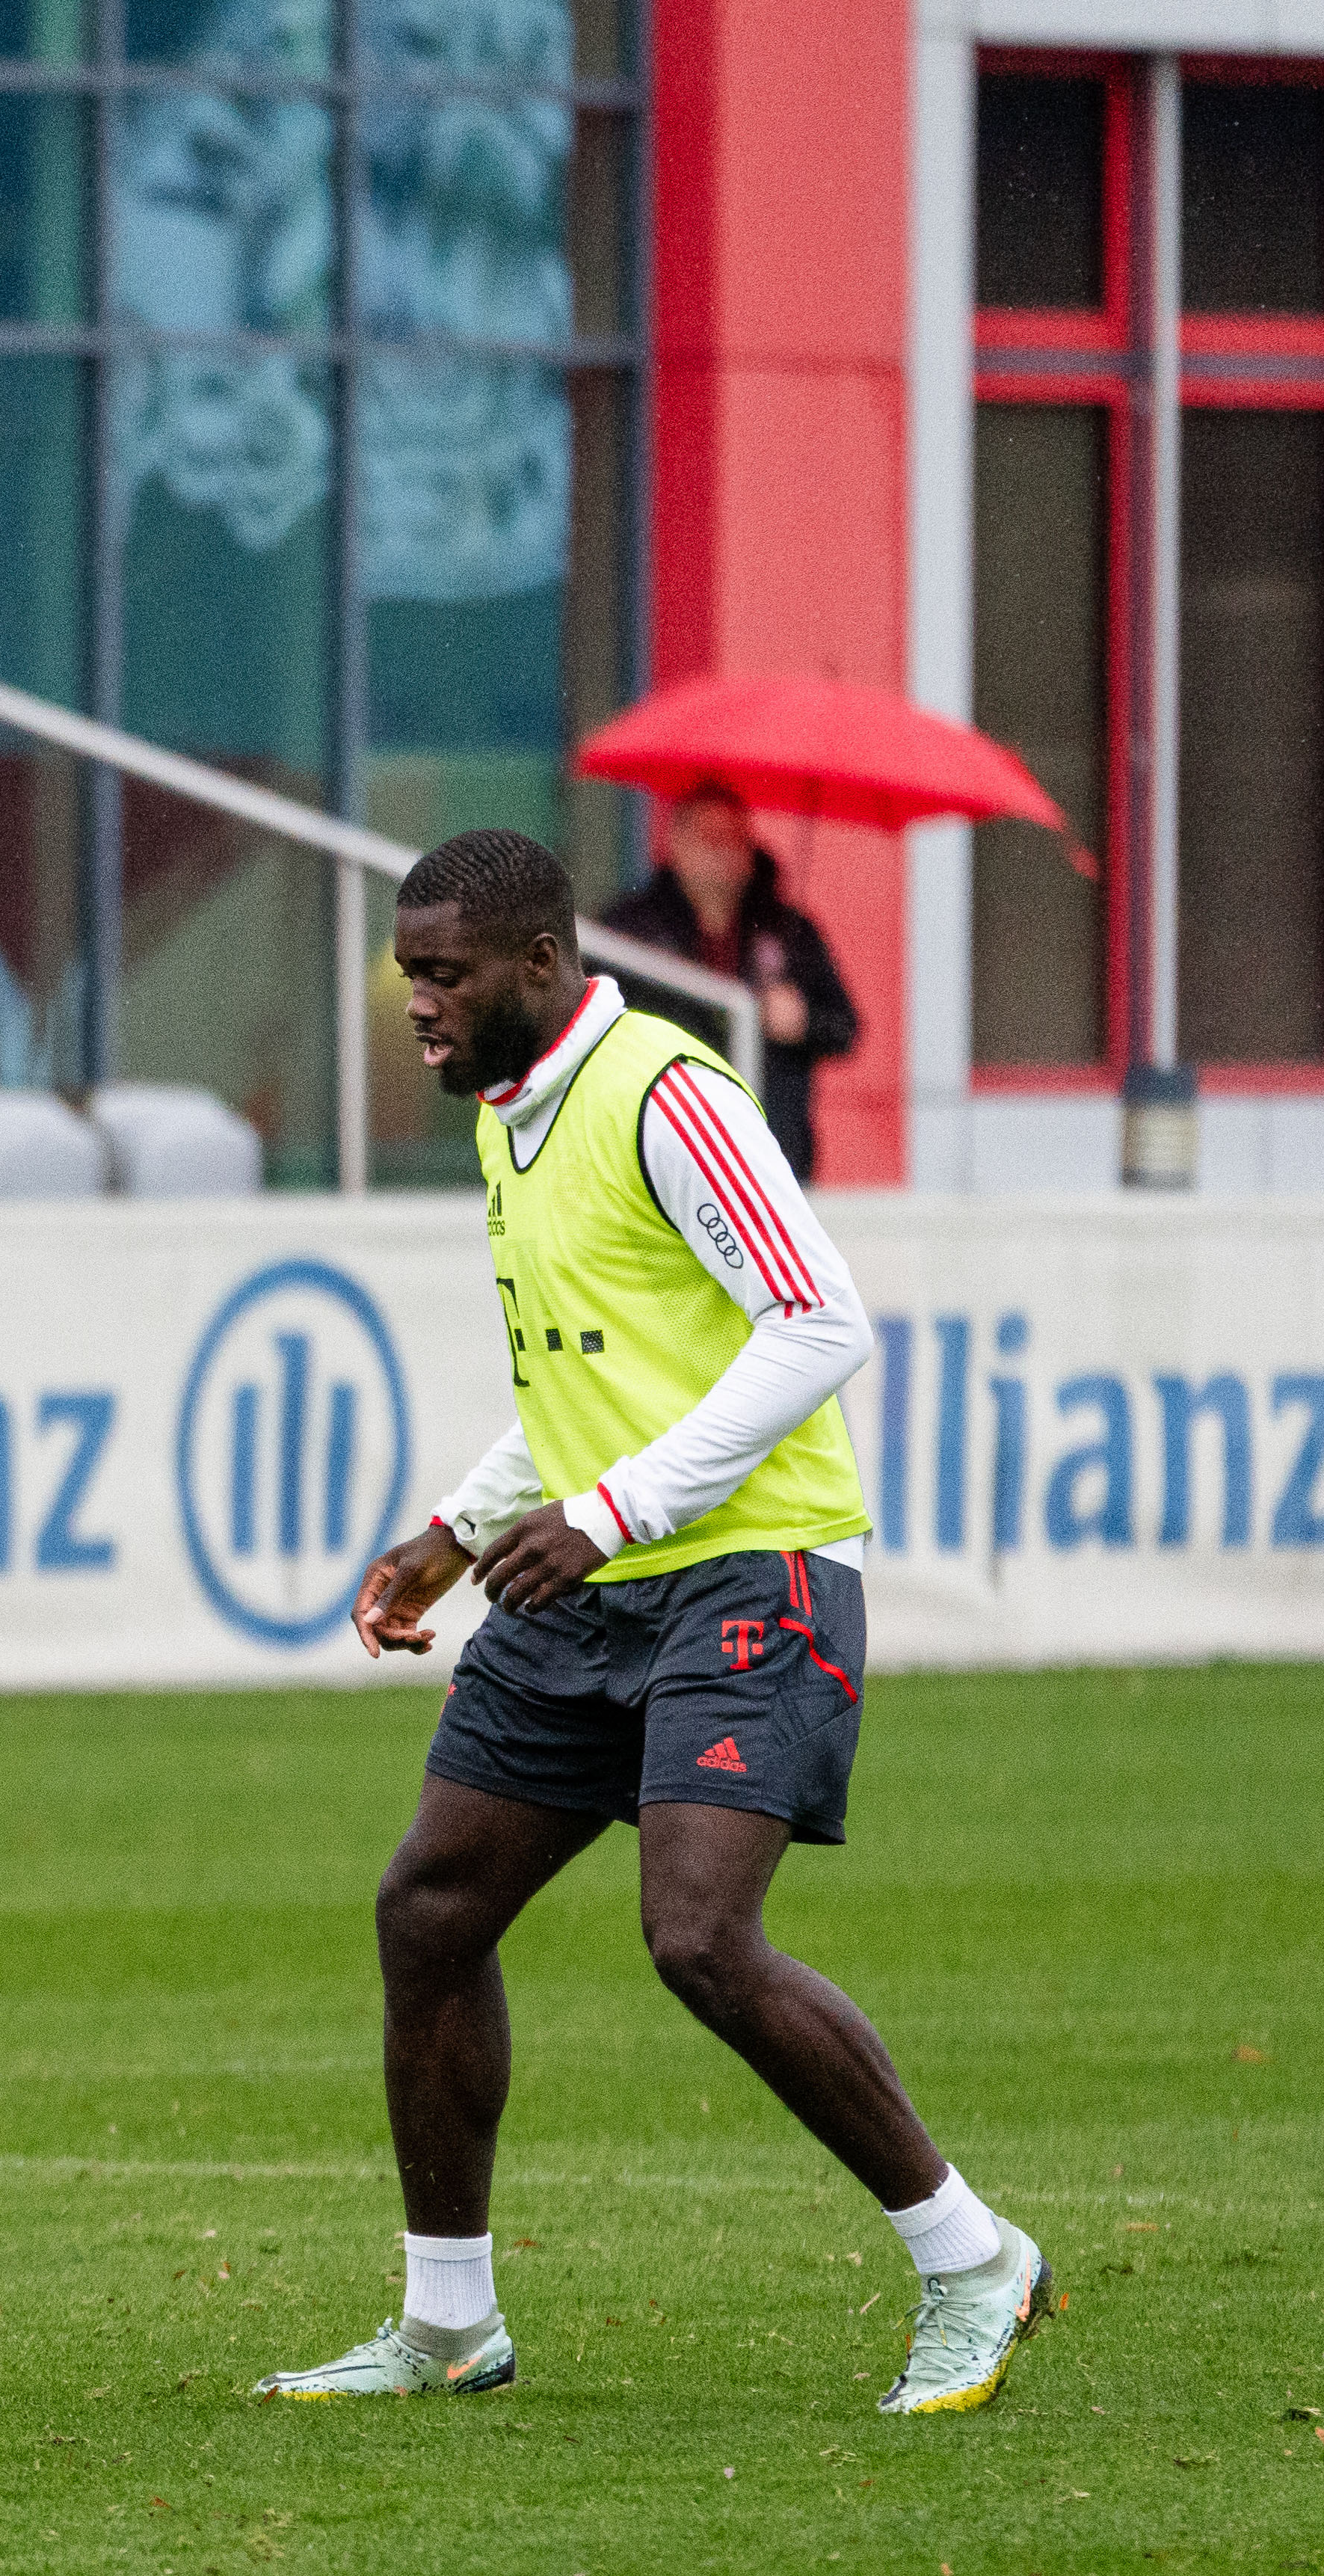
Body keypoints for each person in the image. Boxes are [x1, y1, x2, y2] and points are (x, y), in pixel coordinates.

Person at [261, 827, 1049, 2416]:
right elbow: (587, 1375)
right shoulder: (509, 1113)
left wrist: (611, 1513)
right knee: (427, 1910)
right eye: (408, 969)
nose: (414, 999)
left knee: (696, 1936)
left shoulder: (667, 1094)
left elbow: (820, 1320)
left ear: (539, 966)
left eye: (442, 972)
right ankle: (448, 2321)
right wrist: (455, 1531)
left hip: (749, 1570)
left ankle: (974, 2258)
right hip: (587, 1585)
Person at [591, 780, 860, 1179]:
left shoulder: (790, 931)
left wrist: (803, 1021)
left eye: (735, 838)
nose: (723, 852)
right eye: (709, 838)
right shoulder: (629, 931)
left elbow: (845, 1028)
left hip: (771, 1151)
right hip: (663, 1145)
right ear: (674, 843)